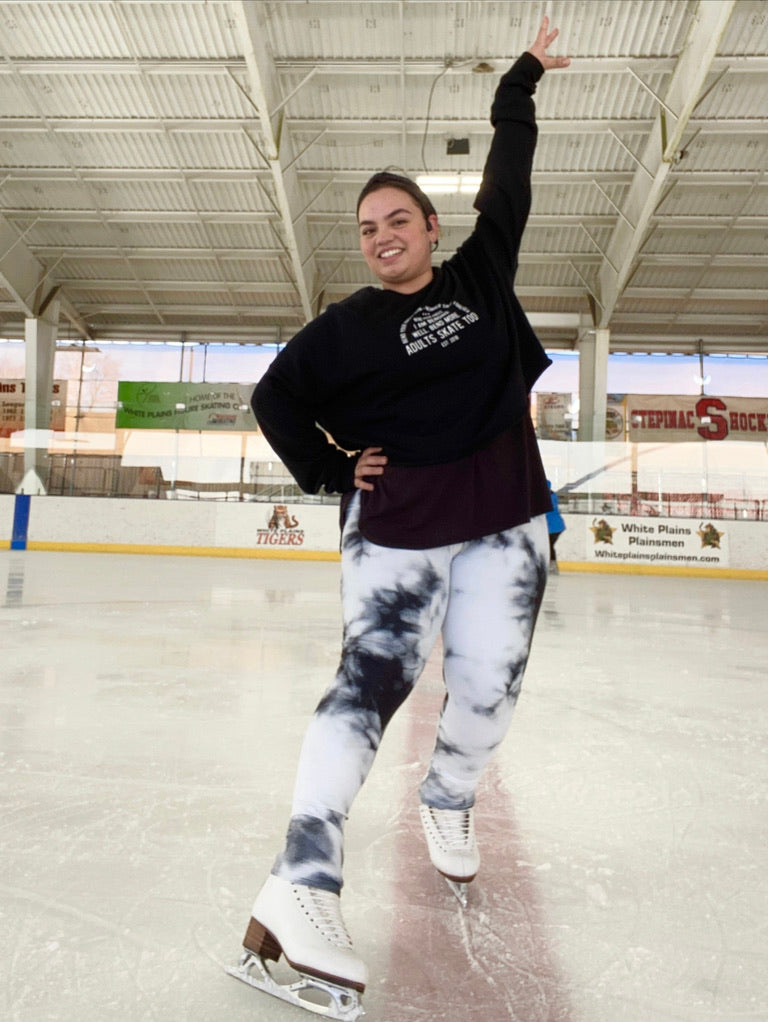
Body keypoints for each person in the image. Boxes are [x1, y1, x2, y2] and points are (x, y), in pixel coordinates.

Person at [232, 17, 570, 1016]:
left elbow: (510, 176)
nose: (382, 235)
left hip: (506, 520)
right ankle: (303, 881)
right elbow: (273, 398)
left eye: (397, 219)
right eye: (367, 227)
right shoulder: (345, 328)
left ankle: (449, 796)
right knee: (365, 691)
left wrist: (522, 80)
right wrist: (332, 468)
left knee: (491, 688)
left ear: (429, 225)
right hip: (398, 531)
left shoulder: (480, 274)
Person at [546, 479, 566, 572]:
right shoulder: (552, 495)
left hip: (554, 527)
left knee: (549, 545)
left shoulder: (548, 498)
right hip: (556, 526)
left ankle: (552, 565)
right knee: (549, 545)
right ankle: (552, 564)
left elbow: (545, 512)